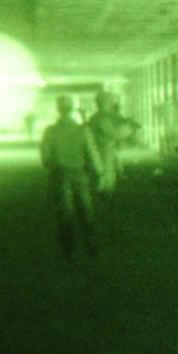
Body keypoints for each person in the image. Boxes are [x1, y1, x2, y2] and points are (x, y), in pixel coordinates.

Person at [39, 95, 104, 259]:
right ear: (72, 109)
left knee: (65, 211)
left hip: (60, 174)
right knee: (86, 209)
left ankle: (68, 247)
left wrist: (50, 165)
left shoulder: (51, 131)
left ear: (58, 109)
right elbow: (92, 153)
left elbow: (45, 154)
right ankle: (91, 244)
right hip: (80, 174)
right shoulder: (82, 130)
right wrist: (99, 171)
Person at [87, 91, 134, 195]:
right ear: (105, 103)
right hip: (104, 150)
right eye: (109, 102)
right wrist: (128, 127)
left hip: (101, 149)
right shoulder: (102, 118)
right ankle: (105, 199)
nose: (110, 105)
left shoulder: (96, 117)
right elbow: (114, 133)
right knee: (107, 176)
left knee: (104, 175)